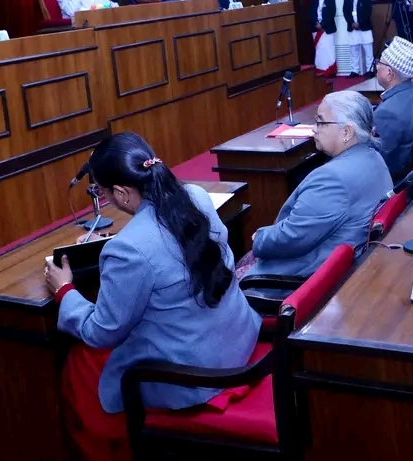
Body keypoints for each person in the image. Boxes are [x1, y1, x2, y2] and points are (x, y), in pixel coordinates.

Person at [44, 132, 260, 461]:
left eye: (102, 192)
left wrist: (65, 290)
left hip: (196, 376)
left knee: (82, 359)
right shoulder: (197, 196)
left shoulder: (128, 249)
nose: (104, 198)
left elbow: (102, 331)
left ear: (121, 192)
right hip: (237, 338)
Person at [236, 91, 392, 278]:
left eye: (321, 122)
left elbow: (293, 237)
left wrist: (259, 238)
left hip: (305, 272)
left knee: (231, 279)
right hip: (344, 257)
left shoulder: (332, 179)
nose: (314, 129)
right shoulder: (373, 157)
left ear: (346, 132)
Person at [374, 36, 413, 178]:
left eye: (380, 63)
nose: (377, 66)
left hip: (397, 178)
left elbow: (378, 160)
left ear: (389, 73)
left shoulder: (387, 112)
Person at [343, 0, 374, 76]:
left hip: (364, 27)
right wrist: (352, 23)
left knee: (368, 50)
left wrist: (359, 23)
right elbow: (345, 12)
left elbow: (368, 12)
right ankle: (355, 70)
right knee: (353, 50)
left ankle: (370, 70)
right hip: (352, 27)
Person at [313, 0, 338, 77]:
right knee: (320, 51)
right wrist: (317, 24)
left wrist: (322, 25)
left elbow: (331, 15)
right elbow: (311, 15)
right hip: (317, 30)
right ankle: (320, 70)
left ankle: (330, 71)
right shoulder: (314, 2)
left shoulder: (331, 1)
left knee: (329, 50)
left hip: (327, 30)